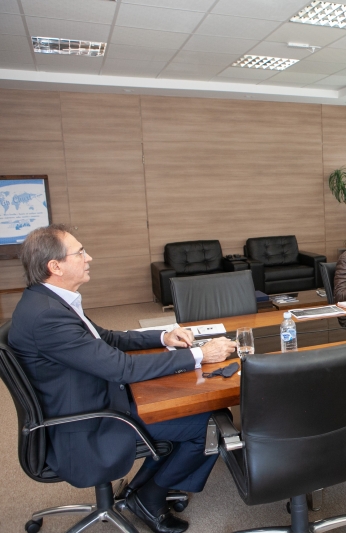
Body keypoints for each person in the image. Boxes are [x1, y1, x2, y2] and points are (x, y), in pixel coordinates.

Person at [9, 224, 237, 533]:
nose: (88, 257)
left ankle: (139, 490)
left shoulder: (49, 301)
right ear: (55, 266)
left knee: (195, 408)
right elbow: (122, 369)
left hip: (91, 397)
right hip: (88, 421)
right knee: (212, 423)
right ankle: (149, 497)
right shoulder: (47, 316)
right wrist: (200, 355)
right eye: (80, 252)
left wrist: (163, 336)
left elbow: (106, 338)